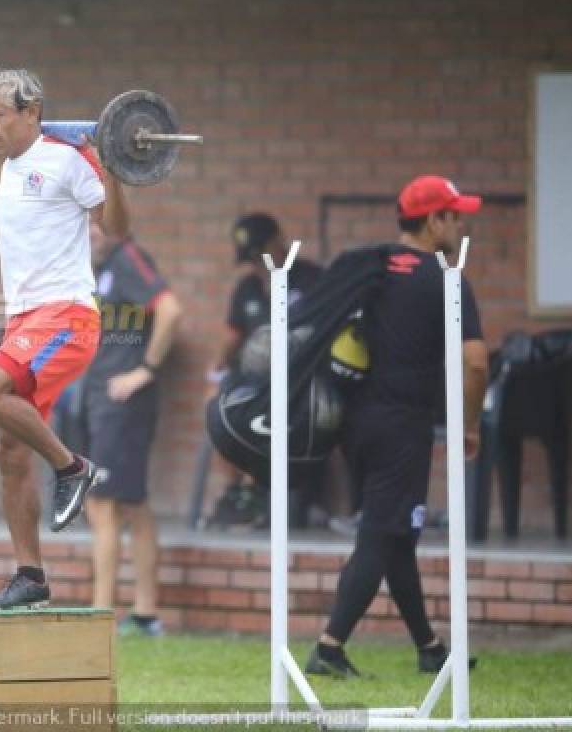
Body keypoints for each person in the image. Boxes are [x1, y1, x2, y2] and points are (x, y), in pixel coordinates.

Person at [306, 175, 488, 677]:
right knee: (381, 533)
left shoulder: (371, 266)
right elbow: (476, 364)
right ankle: (329, 647)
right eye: (455, 214)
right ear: (434, 221)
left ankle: (429, 647)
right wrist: (468, 424)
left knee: (398, 533)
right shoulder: (446, 280)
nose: (461, 222)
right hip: (403, 427)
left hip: (355, 423)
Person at [0, 69, 131, 610]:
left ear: (31, 112)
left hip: (66, 317)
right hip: (24, 319)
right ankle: (30, 576)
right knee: (8, 447)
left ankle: (73, 469)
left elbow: (118, 230)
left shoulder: (68, 159)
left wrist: (115, 165)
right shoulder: (5, 166)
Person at [83, 221, 183, 636]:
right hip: (98, 397)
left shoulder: (128, 258)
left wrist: (146, 369)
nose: (88, 232)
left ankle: (97, 617)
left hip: (122, 402)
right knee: (132, 503)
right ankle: (145, 614)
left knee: (103, 504)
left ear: (116, 230)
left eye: (95, 225)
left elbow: (170, 309)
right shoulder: (95, 268)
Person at [205, 213, 323, 528]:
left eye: (260, 255)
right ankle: (238, 492)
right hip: (252, 375)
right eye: (251, 259)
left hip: (300, 377)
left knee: (263, 411)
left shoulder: (310, 278)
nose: (256, 264)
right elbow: (233, 335)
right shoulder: (247, 286)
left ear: (276, 241)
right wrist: (217, 366)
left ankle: (254, 488)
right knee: (217, 406)